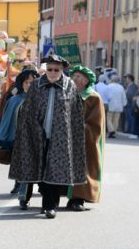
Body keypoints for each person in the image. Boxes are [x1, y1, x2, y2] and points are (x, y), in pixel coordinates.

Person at [9, 54, 86, 219]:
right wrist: (28, 132)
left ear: (62, 70)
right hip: (38, 134)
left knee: (54, 169)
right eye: (49, 69)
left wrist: (74, 136)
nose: (52, 72)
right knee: (40, 168)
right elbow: (28, 110)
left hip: (60, 136)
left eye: (56, 70)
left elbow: (75, 113)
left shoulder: (69, 86)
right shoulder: (36, 85)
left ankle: (50, 206)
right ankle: (46, 199)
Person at [0, 69, 38, 208]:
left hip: (36, 140)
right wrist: (3, 138)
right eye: (26, 82)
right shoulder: (14, 100)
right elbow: (7, 121)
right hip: (18, 140)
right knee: (23, 167)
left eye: (32, 82)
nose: (29, 85)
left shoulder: (40, 99)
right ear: (22, 83)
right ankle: (23, 196)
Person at [66, 66, 105, 211]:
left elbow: (95, 123)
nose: (74, 79)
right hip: (68, 139)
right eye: (73, 76)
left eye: (78, 77)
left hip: (85, 140)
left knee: (84, 169)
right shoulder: (69, 94)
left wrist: (78, 129)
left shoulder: (93, 97)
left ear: (86, 81)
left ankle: (79, 199)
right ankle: (70, 197)